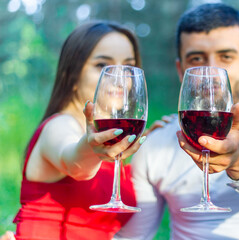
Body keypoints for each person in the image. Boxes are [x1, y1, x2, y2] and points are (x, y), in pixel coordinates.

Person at [115, 3, 239, 240]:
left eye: (226, 57)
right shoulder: (157, 143)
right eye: (197, 58)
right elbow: (132, 237)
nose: (211, 71)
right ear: (180, 70)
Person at [11, 20, 147, 240]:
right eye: (103, 66)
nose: (120, 80)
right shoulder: (58, 126)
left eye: (128, 68)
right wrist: (89, 147)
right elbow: (74, 161)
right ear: (72, 75)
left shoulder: (112, 141)